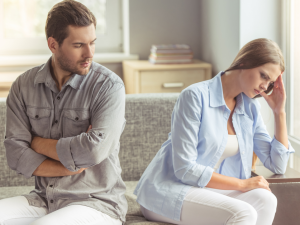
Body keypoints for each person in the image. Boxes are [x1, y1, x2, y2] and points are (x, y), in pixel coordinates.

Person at [134, 38, 295, 225]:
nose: (264, 87)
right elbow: (184, 169)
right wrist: (242, 184)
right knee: (244, 213)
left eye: (270, 82)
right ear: (244, 62)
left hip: (210, 192)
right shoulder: (194, 97)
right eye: (263, 76)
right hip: (171, 190)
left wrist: (279, 112)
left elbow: (278, 165)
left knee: (267, 200)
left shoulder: (250, 108)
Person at [1, 1, 127, 224]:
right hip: (44, 199)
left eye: (92, 43)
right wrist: (69, 168)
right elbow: (15, 153)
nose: (89, 53)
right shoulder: (23, 86)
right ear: (53, 44)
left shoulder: (109, 86)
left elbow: (94, 151)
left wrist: (37, 143)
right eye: (78, 45)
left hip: (96, 203)